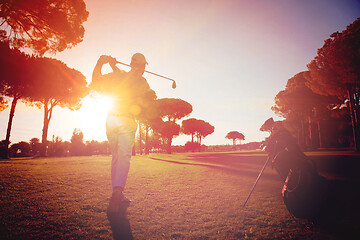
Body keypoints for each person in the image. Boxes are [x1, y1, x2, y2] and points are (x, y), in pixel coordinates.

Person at [91, 53, 156, 212]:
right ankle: (118, 190)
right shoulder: (142, 81)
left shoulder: (117, 76)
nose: (144, 70)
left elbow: (95, 80)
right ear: (141, 66)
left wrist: (100, 63)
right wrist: (113, 67)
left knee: (116, 158)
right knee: (124, 156)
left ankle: (117, 192)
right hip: (126, 120)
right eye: (143, 66)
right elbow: (132, 83)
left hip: (111, 120)